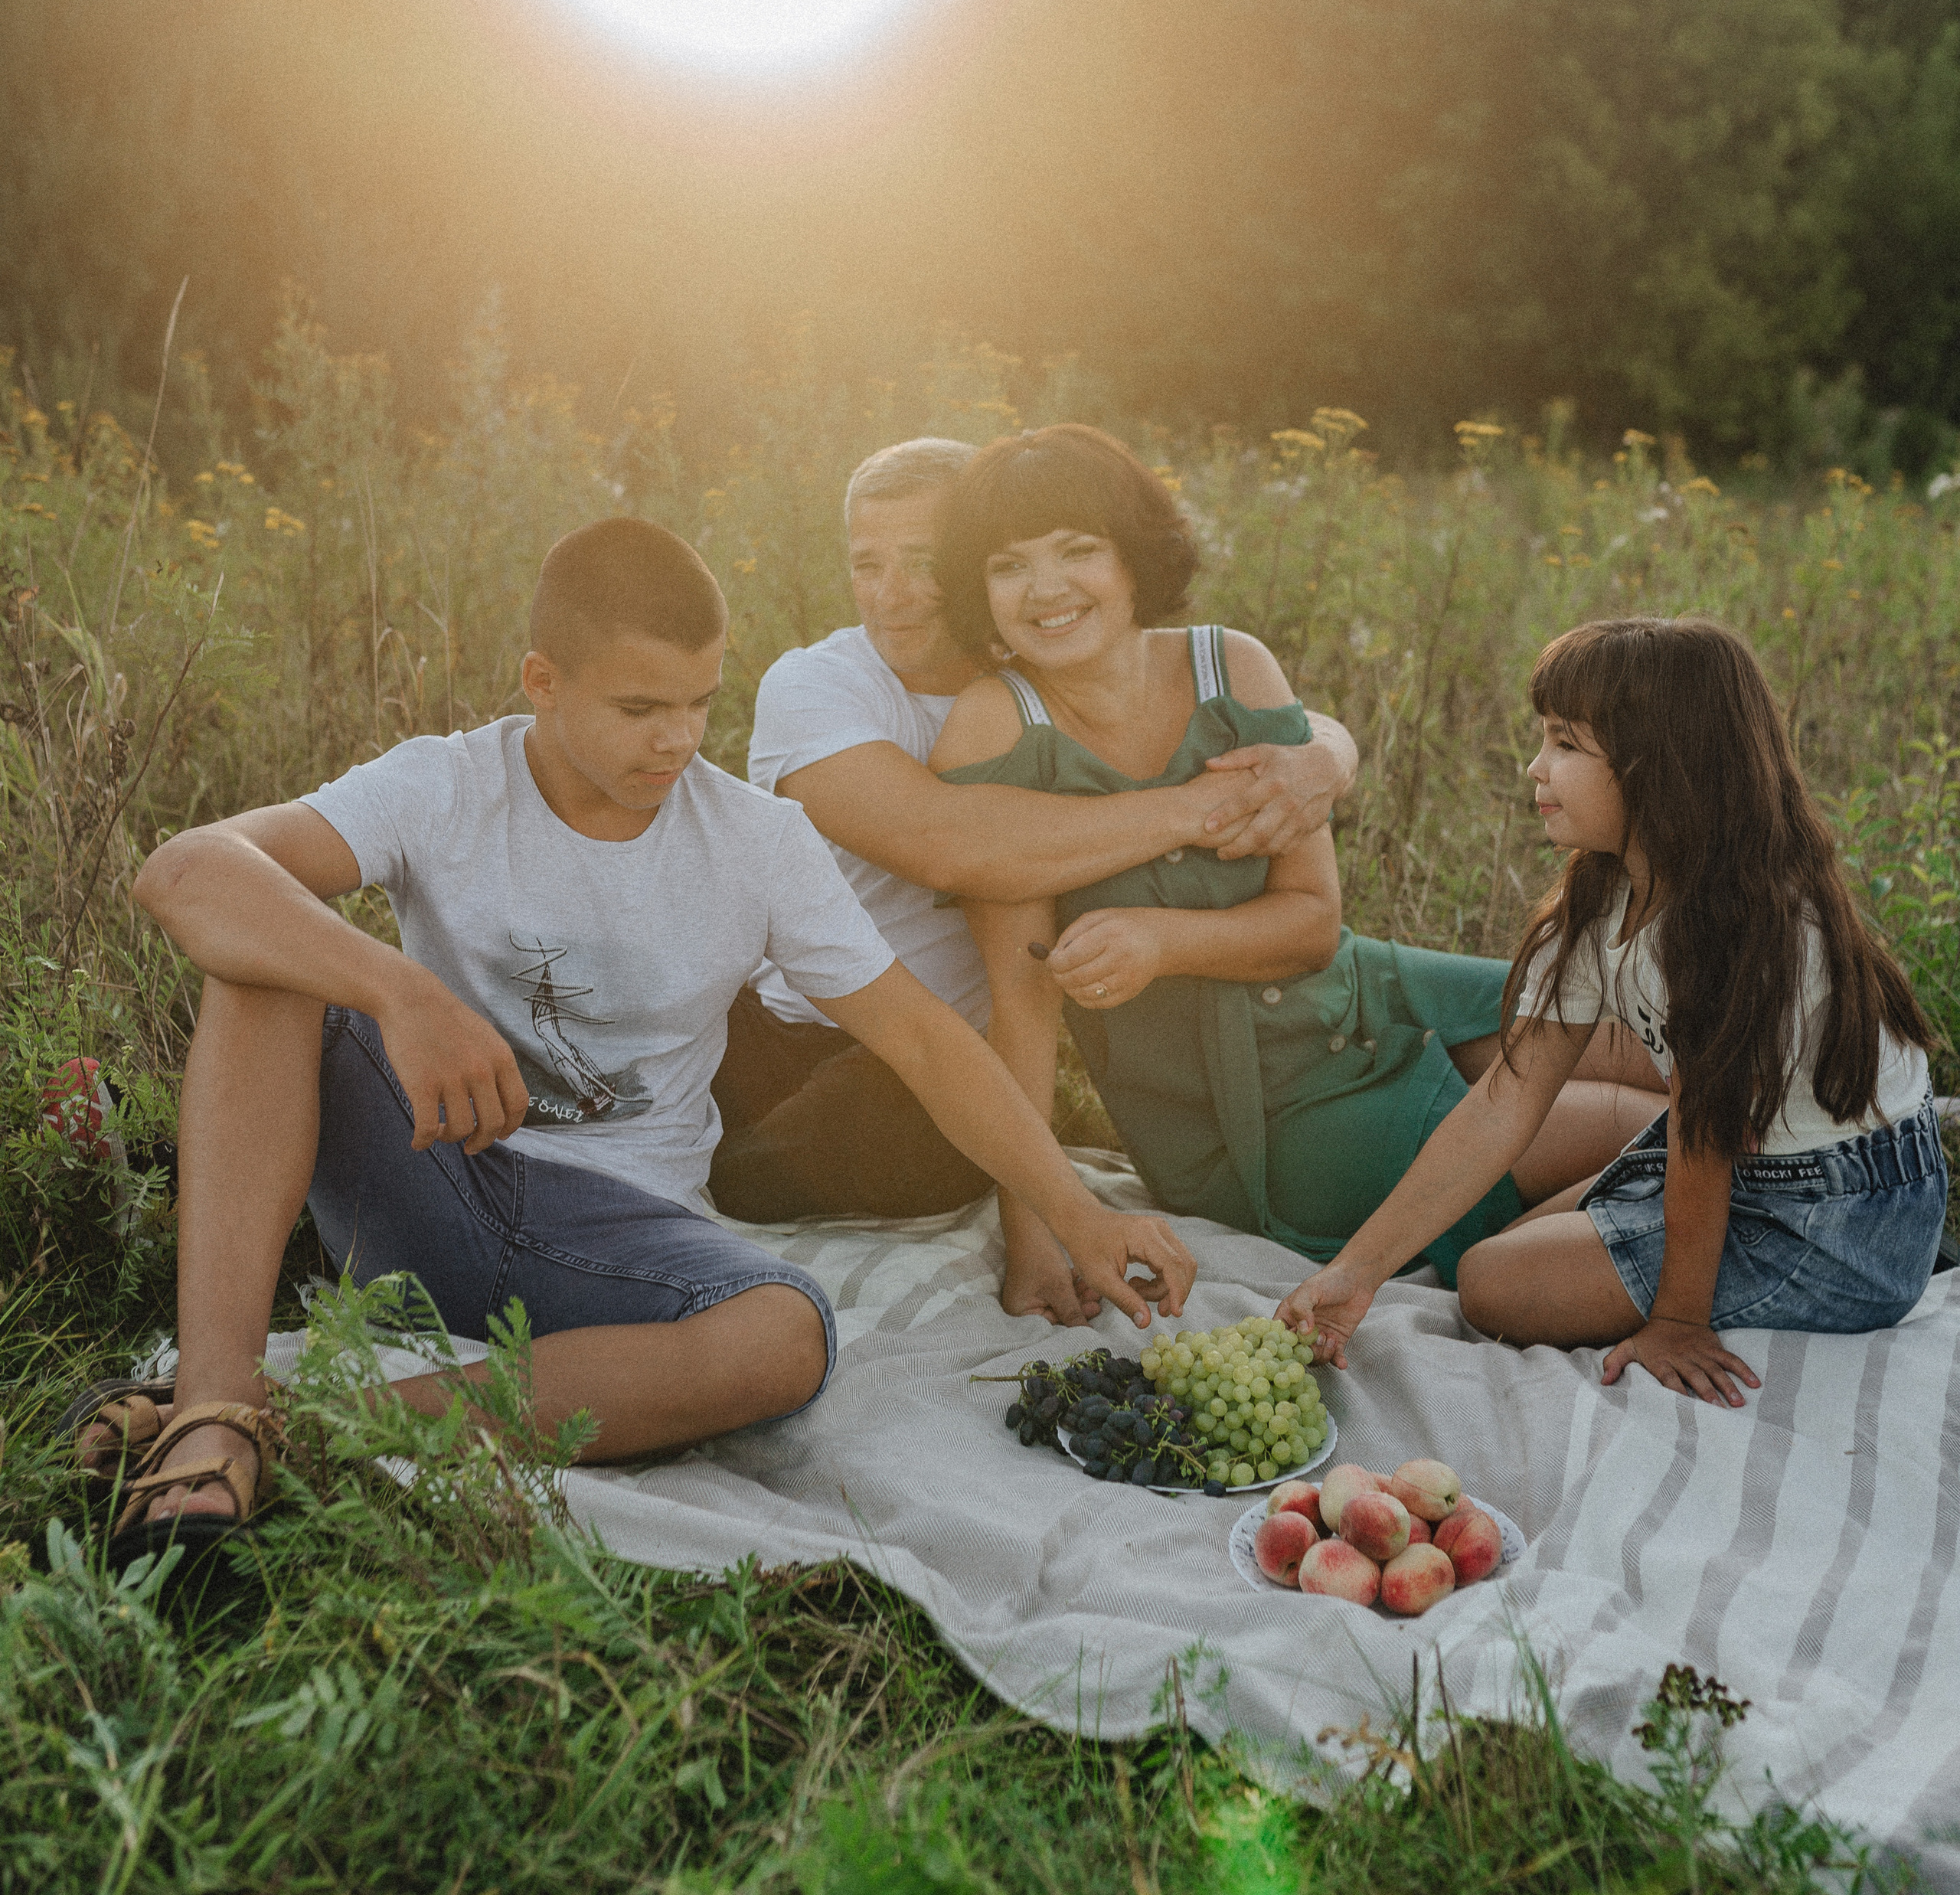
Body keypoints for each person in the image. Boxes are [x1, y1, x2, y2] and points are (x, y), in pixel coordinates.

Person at [79, 517, 1195, 1565]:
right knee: (264, 959)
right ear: (543, 683)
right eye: (639, 707)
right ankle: (212, 1406)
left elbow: (922, 1037)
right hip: (430, 1183)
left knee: (785, 1335)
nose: (677, 739)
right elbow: (187, 871)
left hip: (618, 1243)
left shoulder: (756, 840)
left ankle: (301, 1422)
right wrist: (402, 993)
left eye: (700, 702)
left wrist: (1076, 1211)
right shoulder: (447, 783)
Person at [928, 426, 1665, 1324]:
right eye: (1009, 565)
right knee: (1639, 1127)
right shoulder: (994, 729)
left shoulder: (1232, 665)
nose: (1045, 588)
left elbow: (1311, 922)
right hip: (1257, 1111)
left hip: (1361, 986)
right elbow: (1021, 1004)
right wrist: (1035, 1239)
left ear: (1131, 556)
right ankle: (1555, 1250)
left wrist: (1160, 939)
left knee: (1660, 1047)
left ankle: (1693, 1208)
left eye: (1076, 549)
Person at [1277, 616, 1948, 1405]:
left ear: (1658, 768)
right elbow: (1506, 1097)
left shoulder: (1742, 927)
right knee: (1504, 1249)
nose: (1534, 766)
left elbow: (1707, 1141)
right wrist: (1357, 1272)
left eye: (1565, 743)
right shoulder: (1605, 892)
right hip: (1736, 1155)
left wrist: (1676, 1321)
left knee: (1490, 1287)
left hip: (1839, 1211)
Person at [708, 436, 1359, 1227]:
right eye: (866, 564)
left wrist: (1328, 751)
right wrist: (1200, 806)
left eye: (922, 561)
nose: (890, 595)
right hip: (785, 1024)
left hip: (934, 1060)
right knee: (646, 1110)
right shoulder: (817, 686)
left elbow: (1200, 700)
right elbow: (951, 847)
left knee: (798, 1167)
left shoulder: (1046, 681)